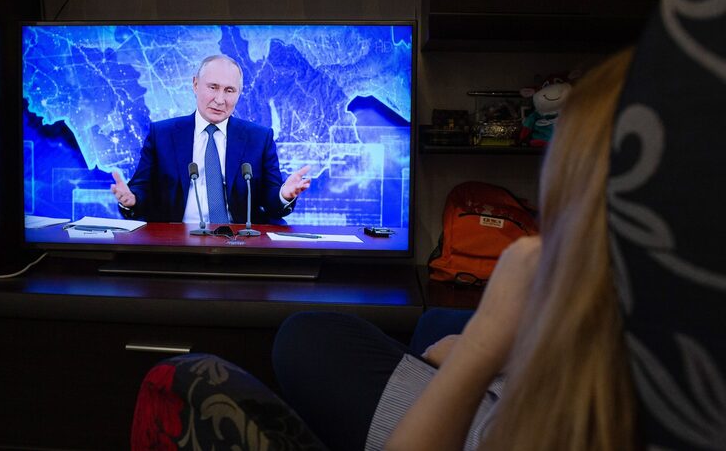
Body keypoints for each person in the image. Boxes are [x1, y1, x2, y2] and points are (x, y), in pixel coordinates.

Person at [272, 46, 637, 451]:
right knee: (434, 325)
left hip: (496, 421)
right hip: (535, 371)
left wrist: (476, 352)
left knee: (302, 336)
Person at [110, 54, 311, 223]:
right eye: (213, 87)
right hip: (175, 242)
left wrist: (283, 195)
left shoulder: (259, 138)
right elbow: (141, 188)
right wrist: (131, 199)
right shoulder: (162, 134)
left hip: (239, 243)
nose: (220, 99)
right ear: (195, 84)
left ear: (239, 94)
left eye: (229, 90)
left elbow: (271, 202)